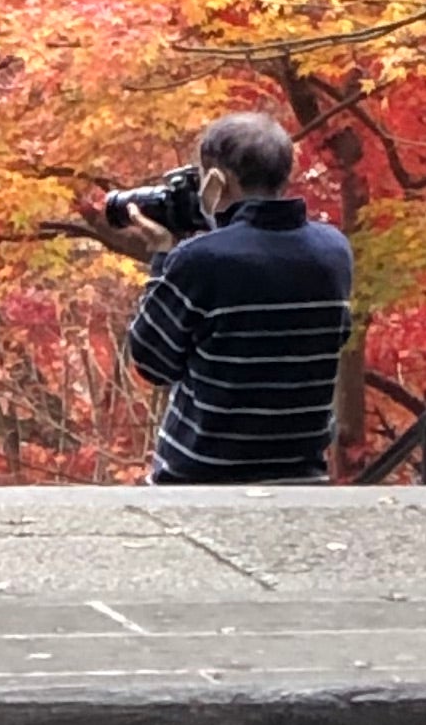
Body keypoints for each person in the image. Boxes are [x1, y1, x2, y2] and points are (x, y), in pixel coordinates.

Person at [87, 111, 357, 485]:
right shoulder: (334, 250)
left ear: (216, 181)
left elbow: (152, 362)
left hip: (202, 477)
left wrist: (165, 255)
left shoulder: (202, 260)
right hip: (301, 472)